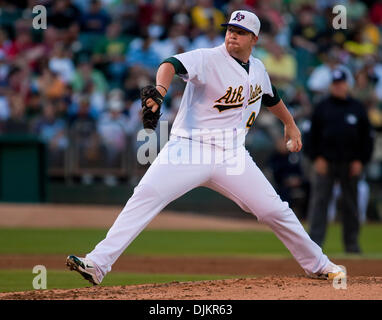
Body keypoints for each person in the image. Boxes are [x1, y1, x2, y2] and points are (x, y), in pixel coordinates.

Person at [66, 10, 345, 285]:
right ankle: (97, 264)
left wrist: (290, 123)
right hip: (189, 147)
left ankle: (318, 265)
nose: (232, 35)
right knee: (146, 195)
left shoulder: (258, 69)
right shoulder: (208, 58)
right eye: (230, 30)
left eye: (240, 32)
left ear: (254, 39)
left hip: (232, 155)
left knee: (275, 211)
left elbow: (272, 97)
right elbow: (170, 64)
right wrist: (161, 91)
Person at [305, 69, 374, 254]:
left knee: (351, 206)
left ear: (347, 84)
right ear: (331, 86)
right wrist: (316, 158)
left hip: (350, 163)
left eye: (341, 83)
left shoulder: (357, 108)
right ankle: (314, 247)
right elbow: (311, 136)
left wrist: (360, 160)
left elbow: (367, 138)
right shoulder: (322, 107)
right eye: (335, 84)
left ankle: (351, 245)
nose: (338, 87)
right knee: (320, 204)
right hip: (325, 162)